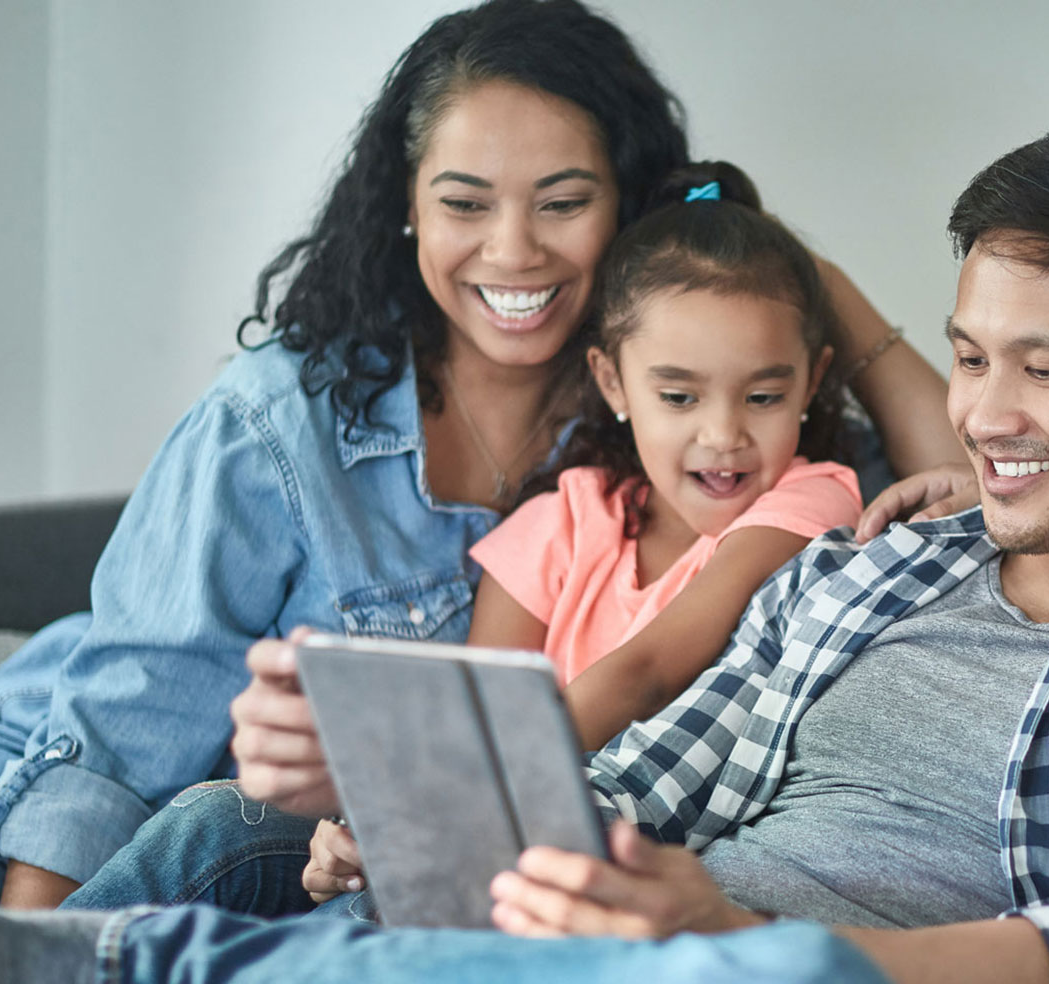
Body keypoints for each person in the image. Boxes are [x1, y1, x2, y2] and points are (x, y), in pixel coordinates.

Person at [0, 128, 1049, 984]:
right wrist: (449, 831)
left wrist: (723, 935)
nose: (983, 414)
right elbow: (652, 775)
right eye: (969, 360)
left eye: (1043, 368)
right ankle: (42, 981)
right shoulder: (881, 564)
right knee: (247, 824)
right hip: (633, 958)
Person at [0, 0, 961, 911]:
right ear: (408, 203)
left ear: (626, 209)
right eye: (466, 202)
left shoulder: (683, 410)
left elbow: (959, 512)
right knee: (196, 833)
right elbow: (117, 725)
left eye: (562, 202)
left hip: (344, 839)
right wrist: (24, 946)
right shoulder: (280, 417)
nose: (513, 251)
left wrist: (813, 278)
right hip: (31, 780)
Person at [68, 158, 868, 915]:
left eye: (763, 396)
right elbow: (475, 705)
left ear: (811, 380)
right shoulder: (560, 521)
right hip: (464, 806)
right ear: (614, 382)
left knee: (359, 924)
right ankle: (21, 975)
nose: (723, 435)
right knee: (217, 820)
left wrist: (433, 811)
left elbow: (651, 669)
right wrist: (368, 824)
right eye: (679, 396)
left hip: (590, 843)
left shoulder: (810, 498)